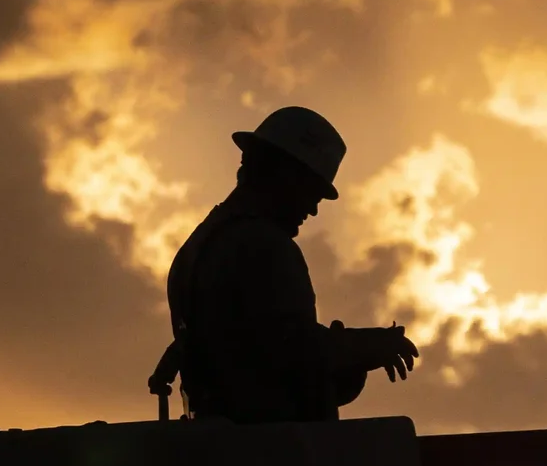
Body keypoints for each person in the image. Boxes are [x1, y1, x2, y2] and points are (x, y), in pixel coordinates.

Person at [158, 106, 418, 423]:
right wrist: (363, 348)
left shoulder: (200, 246)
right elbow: (293, 354)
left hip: (226, 447)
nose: (313, 210)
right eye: (311, 193)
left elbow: (256, 348)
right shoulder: (262, 246)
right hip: (270, 453)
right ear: (284, 175)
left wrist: (351, 351)